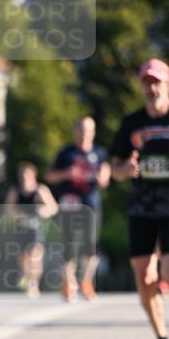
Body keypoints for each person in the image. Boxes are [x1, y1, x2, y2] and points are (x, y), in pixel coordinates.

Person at [111, 58, 169, 339]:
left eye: (157, 82)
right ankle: (162, 338)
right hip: (143, 205)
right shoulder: (132, 123)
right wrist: (126, 169)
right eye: (147, 83)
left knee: (167, 271)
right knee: (143, 273)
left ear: (167, 84)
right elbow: (115, 167)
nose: (152, 88)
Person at [46, 117, 110, 302]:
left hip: (91, 204)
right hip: (70, 204)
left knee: (91, 245)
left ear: (94, 131)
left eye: (89, 129)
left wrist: (101, 177)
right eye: (81, 129)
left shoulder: (99, 152)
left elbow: (106, 177)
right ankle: (68, 282)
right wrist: (67, 173)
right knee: (69, 244)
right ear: (75, 131)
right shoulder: (66, 153)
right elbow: (50, 175)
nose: (85, 133)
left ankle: (86, 281)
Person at [4, 162, 58, 298]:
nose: (24, 178)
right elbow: (8, 209)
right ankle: (26, 278)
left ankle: (34, 284)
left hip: (36, 228)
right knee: (23, 258)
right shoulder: (15, 191)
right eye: (21, 175)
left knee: (35, 256)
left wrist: (43, 211)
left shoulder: (40, 190)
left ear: (33, 175)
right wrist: (17, 214)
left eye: (26, 175)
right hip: (21, 228)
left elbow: (53, 207)